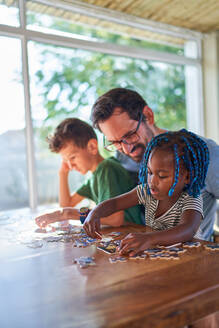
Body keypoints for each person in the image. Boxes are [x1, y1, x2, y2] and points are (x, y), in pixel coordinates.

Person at [90, 88, 219, 241]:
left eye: (130, 135)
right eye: (115, 142)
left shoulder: (203, 154)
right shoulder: (123, 158)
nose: (126, 149)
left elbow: (189, 228)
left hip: (192, 256)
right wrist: (95, 212)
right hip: (143, 251)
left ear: (148, 116)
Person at [84, 129, 209, 256]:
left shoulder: (191, 198)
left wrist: (150, 238)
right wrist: (96, 212)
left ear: (187, 177)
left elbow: (188, 229)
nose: (152, 181)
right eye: (149, 172)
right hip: (161, 258)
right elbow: (115, 203)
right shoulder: (146, 192)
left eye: (162, 176)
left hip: (190, 259)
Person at [35, 118, 142, 228]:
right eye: (66, 161)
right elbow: (66, 204)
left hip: (135, 232)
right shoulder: (93, 177)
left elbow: (115, 219)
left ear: (92, 147)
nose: (70, 166)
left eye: (72, 158)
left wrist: (68, 214)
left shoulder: (106, 169)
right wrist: (62, 174)